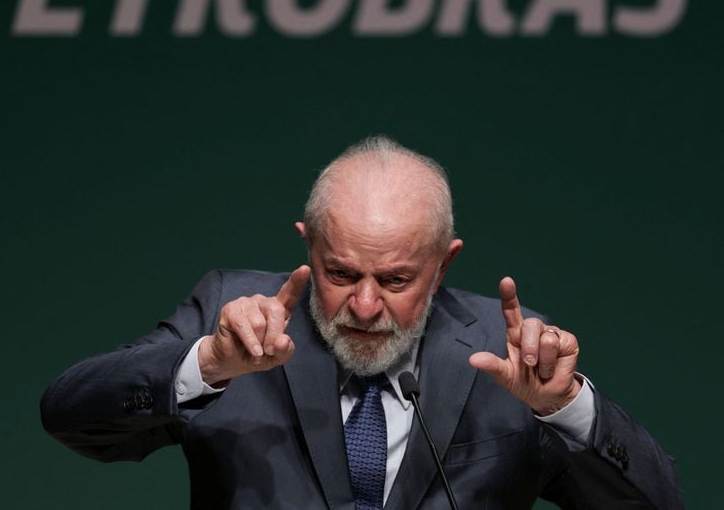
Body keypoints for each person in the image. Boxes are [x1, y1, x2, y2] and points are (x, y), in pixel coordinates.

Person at [42, 136, 682, 509]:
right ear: (307, 245)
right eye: (341, 273)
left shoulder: (510, 355)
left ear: (443, 263)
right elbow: (71, 417)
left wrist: (565, 408)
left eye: (397, 280)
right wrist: (206, 365)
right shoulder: (230, 316)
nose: (367, 306)